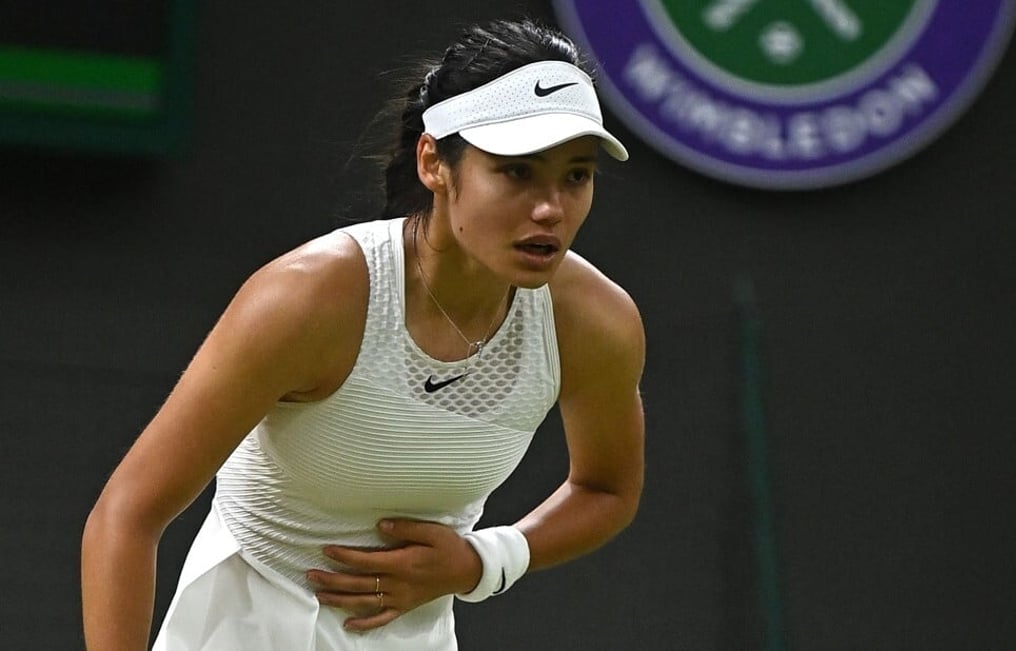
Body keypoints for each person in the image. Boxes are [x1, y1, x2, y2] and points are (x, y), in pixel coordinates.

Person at [81, 16, 645, 650]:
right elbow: (125, 517)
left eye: (577, 175)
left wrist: (484, 562)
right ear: (435, 162)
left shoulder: (595, 322)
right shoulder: (308, 299)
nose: (551, 208)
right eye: (516, 171)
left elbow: (607, 489)